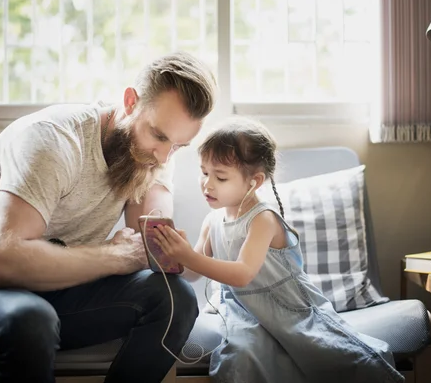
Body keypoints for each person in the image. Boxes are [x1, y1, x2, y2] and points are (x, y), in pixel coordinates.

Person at [0, 51, 217, 383]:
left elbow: (151, 239)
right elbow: (0, 263)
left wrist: (187, 247)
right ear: (130, 101)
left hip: (62, 285)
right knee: (32, 319)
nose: (164, 156)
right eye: (159, 136)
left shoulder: (155, 153)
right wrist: (117, 256)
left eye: (179, 145)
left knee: (175, 298)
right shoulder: (54, 140)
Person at [153, 117, 406, 383]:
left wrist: (188, 256)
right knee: (239, 356)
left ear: (254, 182)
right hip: (242, 313)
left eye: (221, 176)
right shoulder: (212, 221)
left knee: (337, 354)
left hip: (288, 308)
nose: (207, 184)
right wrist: (172, 257)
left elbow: (242, 274)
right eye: (204, 172)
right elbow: (194, 273)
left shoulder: (262, 219)